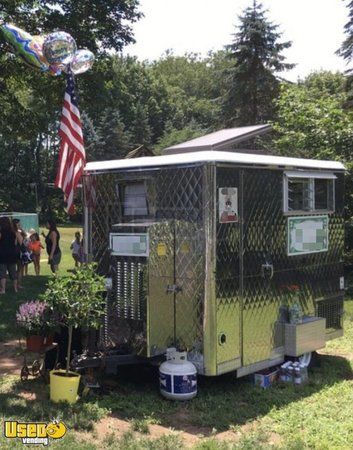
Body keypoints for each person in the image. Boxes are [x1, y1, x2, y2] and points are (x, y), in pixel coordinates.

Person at [0, 217, 19, 294]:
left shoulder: (1, 231)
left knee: (2, 273)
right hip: (12, 253)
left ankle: (3, 289)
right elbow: (16, 242)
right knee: (13, 272)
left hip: (2, 254)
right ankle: (15, 289)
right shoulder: (13, 232)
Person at [12, 219, 24, 288]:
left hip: (10, 251)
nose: (20, 225)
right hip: (17, 252)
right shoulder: (16, 232)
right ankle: (18, 284)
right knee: (19, 269)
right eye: (19, 224)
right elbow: (21, 242)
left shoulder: (10, 231)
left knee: (12, 268)